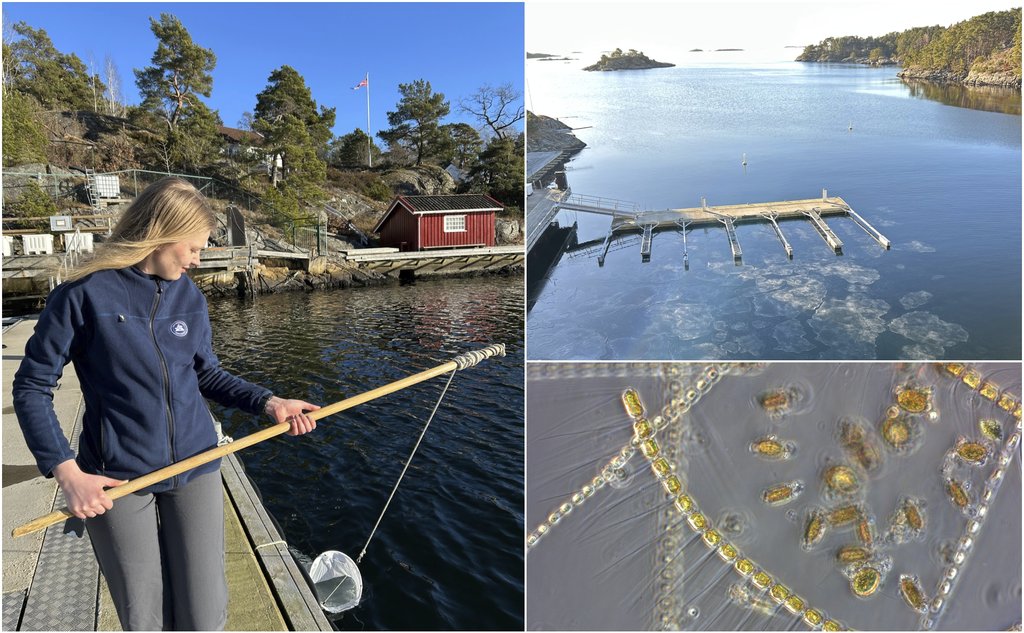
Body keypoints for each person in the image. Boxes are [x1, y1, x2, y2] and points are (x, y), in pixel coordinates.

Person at [12, 176, 320, 631]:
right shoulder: (82, 294)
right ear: (160, 234)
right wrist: (67, 471)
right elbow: (32, 387)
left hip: (197, 461)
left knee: (204, 614)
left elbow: (205, 373)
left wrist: (270, 403)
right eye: (193, 248)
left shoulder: (188, 295)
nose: (197, 260)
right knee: (144, 617)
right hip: (117, 477)